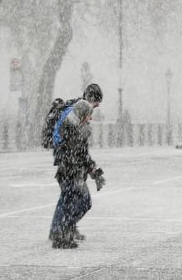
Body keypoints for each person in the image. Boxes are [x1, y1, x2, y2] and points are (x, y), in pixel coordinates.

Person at [49, 84, 104, 249]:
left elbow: (82, 154)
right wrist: (82, 172)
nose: (91, 118)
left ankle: (62, 231)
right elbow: (78, 154)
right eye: (89, 115)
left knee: (69, 200)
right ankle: (62, 231)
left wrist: (94, 172)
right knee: (77, 201)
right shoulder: (74, 130)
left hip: (70, 171)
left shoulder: (77, 129)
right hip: (69, 172)